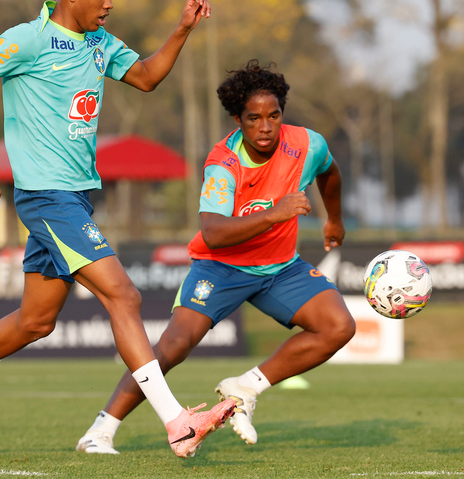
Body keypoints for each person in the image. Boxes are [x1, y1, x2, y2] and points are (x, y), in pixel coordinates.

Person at [0, 0, 234, 458]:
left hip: (76, 198)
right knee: (124, 296)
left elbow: (146, 77)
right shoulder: (27, 39)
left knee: (36, 321)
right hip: (47, 198)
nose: (110, 3)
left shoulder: (100, 42)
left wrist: (181, 30)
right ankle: (178, 423)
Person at [76, 60, 355, 454]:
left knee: (338, 326)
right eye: (254, 118)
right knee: (173, 345)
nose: (265, 127)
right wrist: (275, 213)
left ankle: (246, 387)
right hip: (222, 267)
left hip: (280, 267)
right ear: (237, 119)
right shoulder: (223, 163)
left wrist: (335, 220)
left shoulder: (308, 144)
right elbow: (214, 233)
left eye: (274, 116)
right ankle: (101, 430)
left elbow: (330, 172)